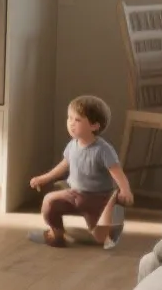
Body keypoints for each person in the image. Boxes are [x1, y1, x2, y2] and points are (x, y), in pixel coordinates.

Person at [27, 95, 133, 249]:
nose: (71, 123)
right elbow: (63, 165)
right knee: (50, 202)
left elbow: (117, 172)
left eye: (77, 120)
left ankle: (106, 233)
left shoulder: (103, 150)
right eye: (69, 118)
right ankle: (56, 234)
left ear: (94, 126)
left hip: (98, 199)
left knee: (101, 237)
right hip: (74, 194)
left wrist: (125, 190)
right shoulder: (72, 145)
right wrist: (44, 178)